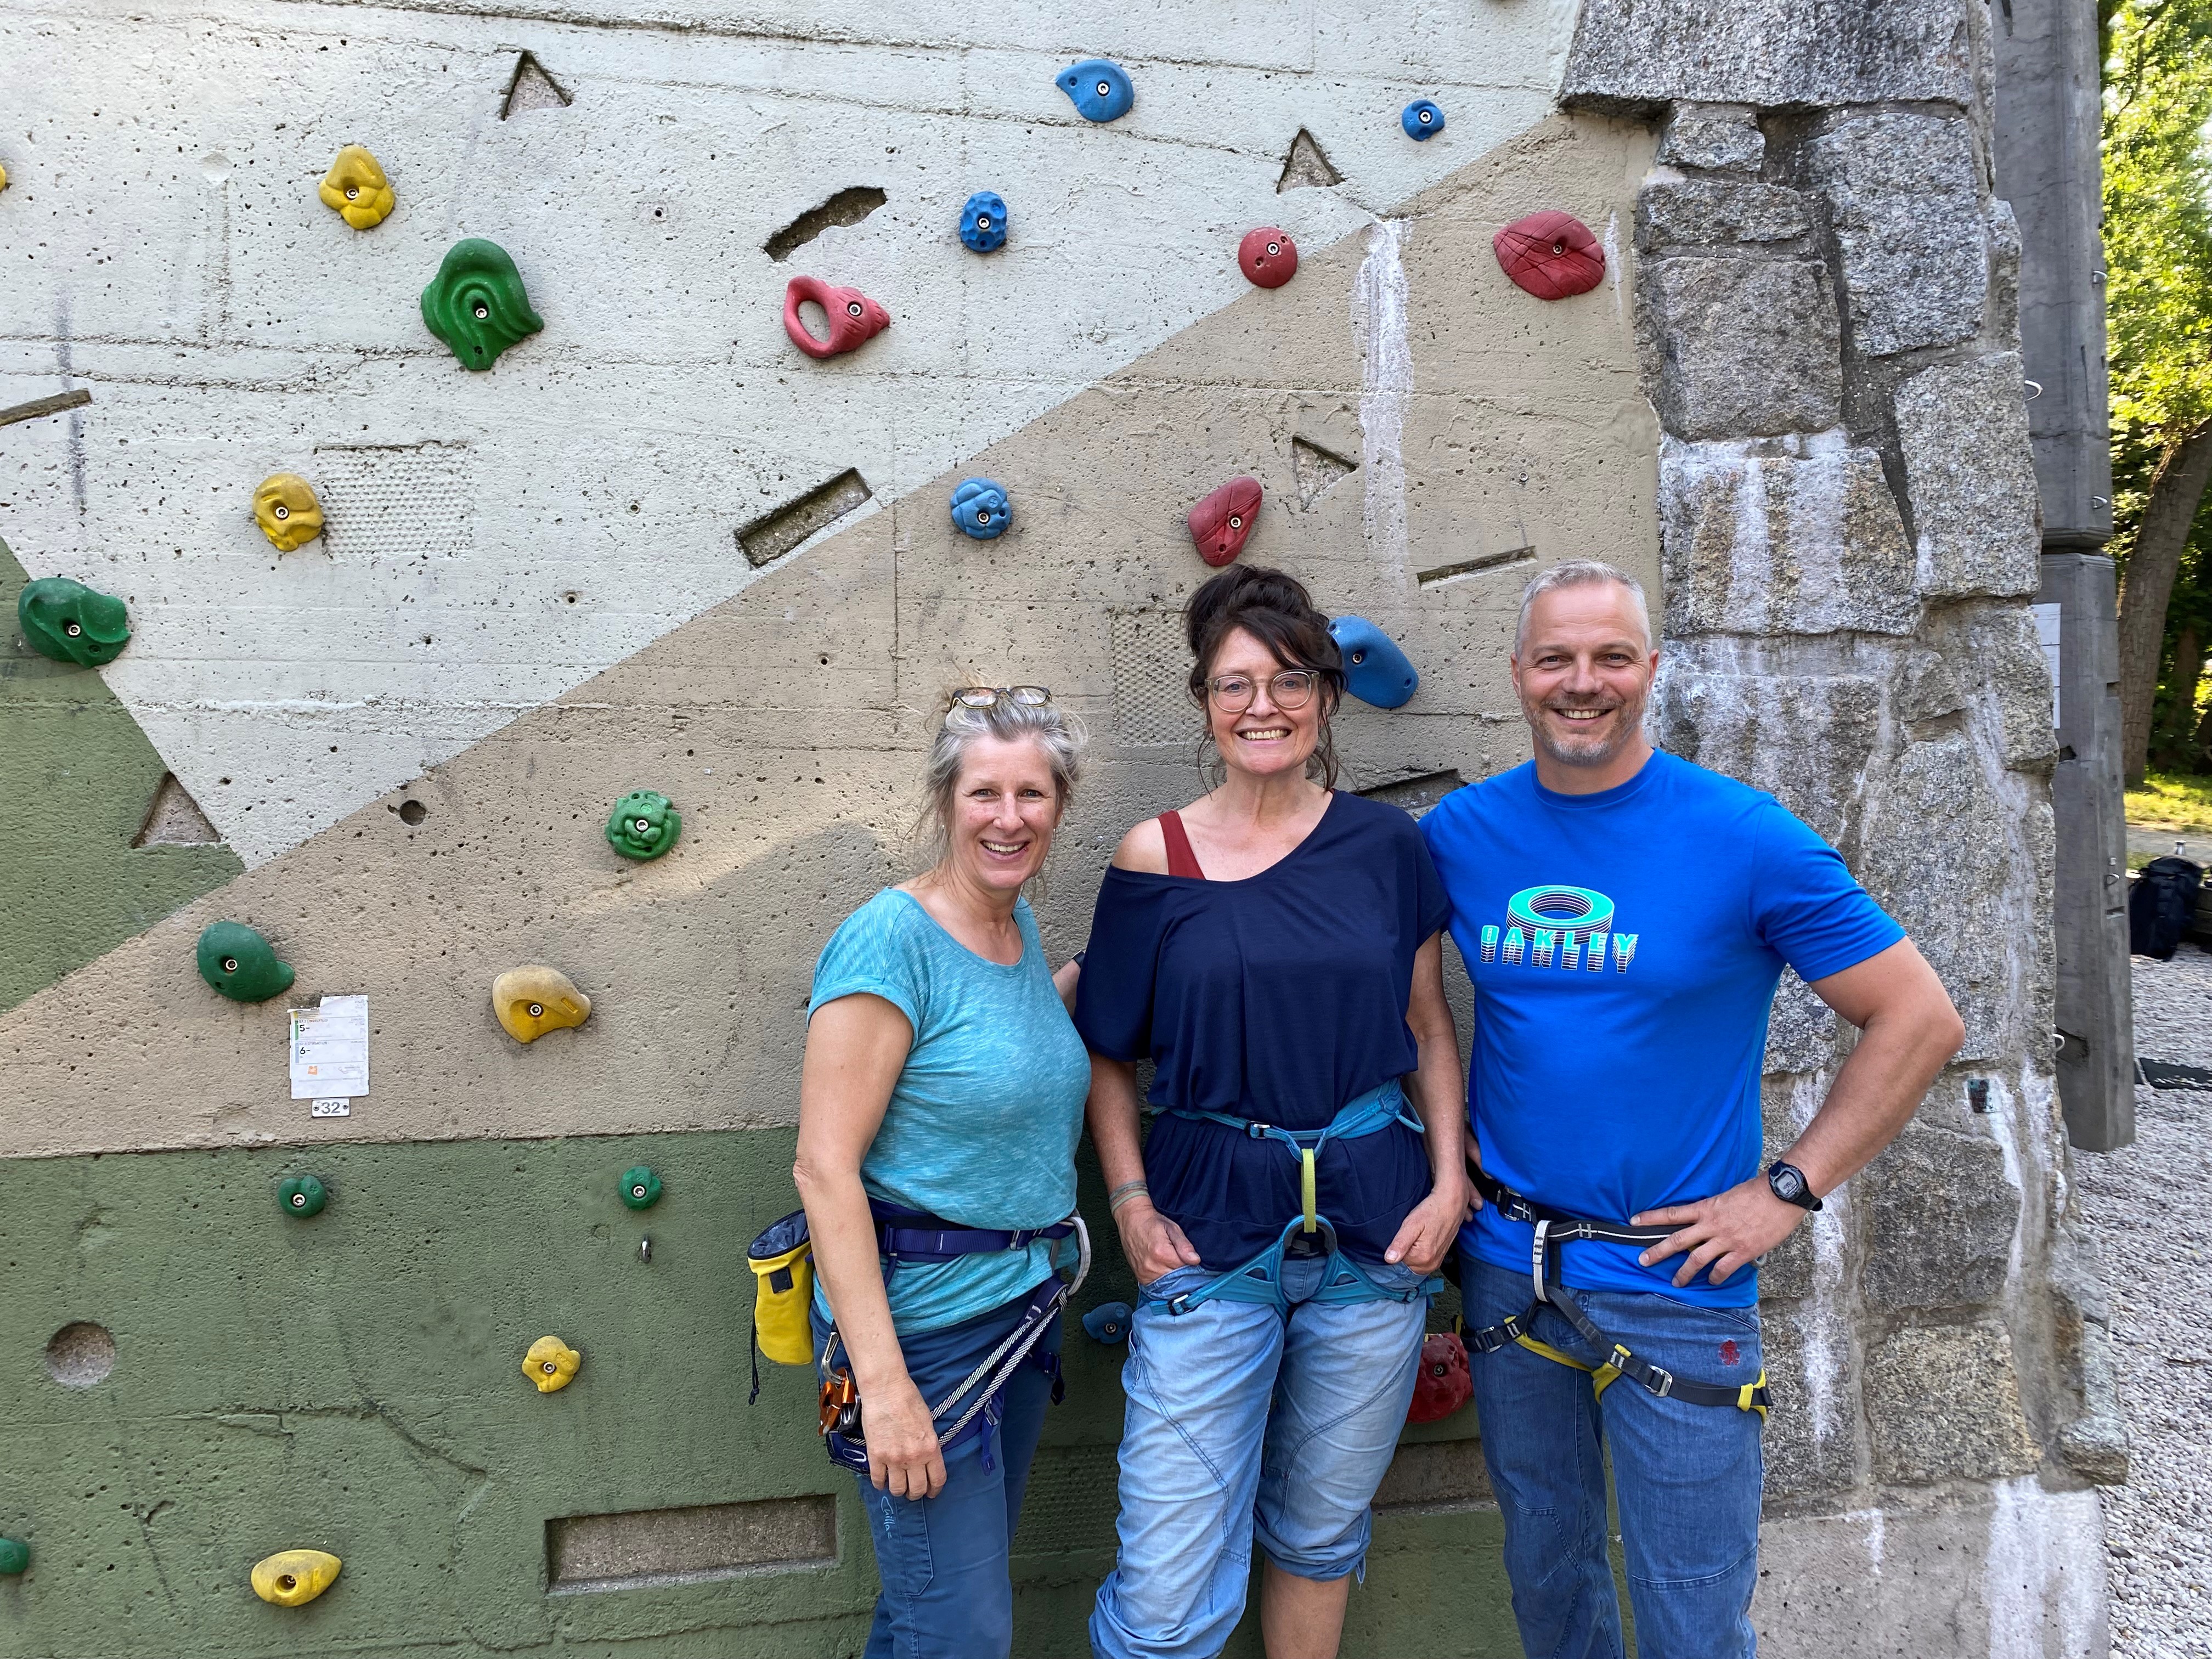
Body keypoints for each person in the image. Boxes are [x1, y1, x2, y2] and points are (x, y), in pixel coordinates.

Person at [1418, 561, 1966, 1659]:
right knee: (1550, 1582)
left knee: (1691, 1608)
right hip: (1509, 1265)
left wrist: (1788, 1192)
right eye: (1558, 658)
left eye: (1612, 656)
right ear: (1519, 674)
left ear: (1651, 670)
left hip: (1679, 1282)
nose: (1585, 682)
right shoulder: (1458, 836)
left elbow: (1920, 1019)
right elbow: (1400, 1004)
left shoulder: (1745, 837)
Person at [1074, 566, 1471, 1659]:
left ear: (1328, 697)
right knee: (1165, 1594)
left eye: (1291, 679)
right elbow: (1109, 1055)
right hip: (1207, 1242)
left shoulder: (1389, 849)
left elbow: (1430, 1023)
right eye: (1237, 683)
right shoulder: (1156, 857)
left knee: (1318, 1539)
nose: (1265, 705)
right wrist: (1127, 1203)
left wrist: (1449, 1183)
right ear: (1204, 700)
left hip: (1379, 1236)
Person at [792, 686, 1093, 1659]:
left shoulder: (1014, 929)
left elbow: (989, 1053)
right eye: (985, 794)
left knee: (931, 1616)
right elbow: (823, 1167)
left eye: (1034, 796)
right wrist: (883, 1390)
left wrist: (1106, 973)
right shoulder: (892, 938)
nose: (1010, 819)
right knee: (959, 1630)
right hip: (925, 1344)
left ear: (1061, 807)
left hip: (1016, 1316)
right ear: (944, 801)